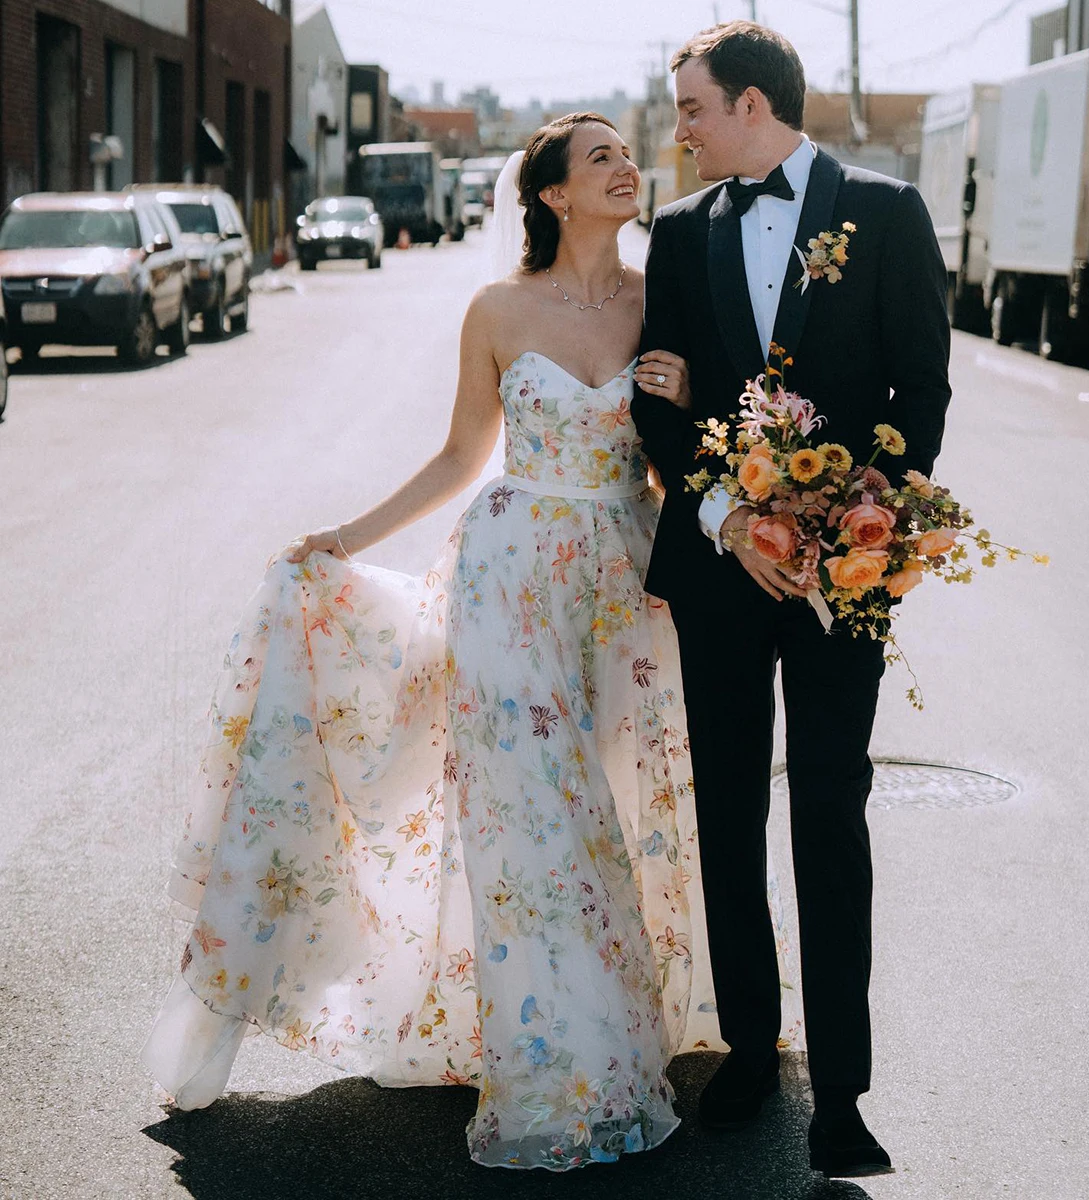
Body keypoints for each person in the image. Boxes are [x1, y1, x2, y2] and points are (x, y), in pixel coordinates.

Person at [141, 112, 759, 1170]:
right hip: (510, 578)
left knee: (615, 803)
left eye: (626, 155)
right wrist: (344, 538)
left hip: (627, 579)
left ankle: (600, 1013)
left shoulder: (669, 301)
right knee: (539, 815)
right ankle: (566, 1061)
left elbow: (678, 468)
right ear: (554, 193)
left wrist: (698, 414)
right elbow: (461, 453)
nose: (625, 167)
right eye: (600, 157)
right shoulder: (497, 308)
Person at [631, 22, 952, 1180]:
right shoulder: (676, 232)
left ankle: (845, 1094)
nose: (679, 128)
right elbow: (659, 398)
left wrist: (838, 528)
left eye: (692, 107)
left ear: (753, 104)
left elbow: (923, 385)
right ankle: (753, 1051)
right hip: (721, 577)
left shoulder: (890, 211)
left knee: (829, 811)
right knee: (727, 809)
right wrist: (728, 520)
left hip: (841, 582)